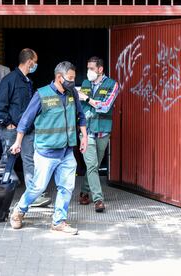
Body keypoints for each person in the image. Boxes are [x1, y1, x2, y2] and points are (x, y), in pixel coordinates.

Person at [9, 61, 88, 235]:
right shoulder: (42, 94)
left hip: (67, 151)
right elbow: (25, 121)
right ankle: (19, 211)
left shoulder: (72, 93)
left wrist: (84, 138)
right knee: (37, 187)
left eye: (74, 78)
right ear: (59, 78)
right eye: (70, 78)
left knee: (66, 188)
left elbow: (81, 116)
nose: (73, 82)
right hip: (46, 152)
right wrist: (18, 142)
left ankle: (58, 221)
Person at [0, 48, 51, 208]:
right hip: (12, 130)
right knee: (8, 160)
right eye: (35, 62)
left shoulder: (27, 81)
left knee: (29, 159)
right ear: (30, 62)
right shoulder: (10, 80)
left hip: (27, 129)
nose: (36, 65)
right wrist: (7, 124)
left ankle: (34, 195)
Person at [77, 56, 119, 212]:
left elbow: (106, 106)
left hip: (102, 131)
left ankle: (84, 191)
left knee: (93, 165)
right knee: (93, 165)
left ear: (100, 69)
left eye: (92, 69)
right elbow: (80, 105)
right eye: (88, 68)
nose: (89, 72)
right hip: (86, 131)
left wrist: (87, 98)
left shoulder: (112, 85)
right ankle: (98, 200)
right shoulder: (85, 83)